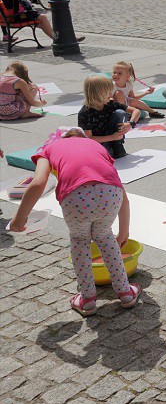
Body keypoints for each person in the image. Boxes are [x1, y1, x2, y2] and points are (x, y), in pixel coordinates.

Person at [10, 127, 141, 316]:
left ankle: (87, 300)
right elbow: (120, 192)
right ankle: (125, 293)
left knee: (80, 241)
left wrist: (19, 218)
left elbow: (38, 183)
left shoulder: (49, 149)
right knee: (105, 237)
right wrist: (123, 232)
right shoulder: (95, 146)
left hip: (76, 199)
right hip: (111, 195)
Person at [78, 75, 141, 159]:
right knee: (105, 157)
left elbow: (136, 111)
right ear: (98, 93)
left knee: (120, 112)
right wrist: (112, 137)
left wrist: (130, 124)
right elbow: (89, 138)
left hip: (112, 138)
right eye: (108, 92)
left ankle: (117, 144)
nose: (111, 94)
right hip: (99, 145)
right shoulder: (85, 113)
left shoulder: (109, 103)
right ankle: (111, 148)